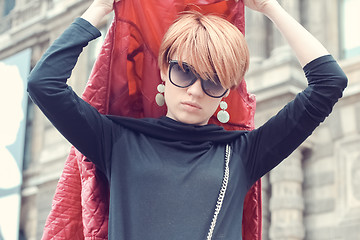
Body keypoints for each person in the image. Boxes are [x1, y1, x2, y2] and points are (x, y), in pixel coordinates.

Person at [27, 0, 347, 239]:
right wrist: (100, 6)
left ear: (226, 92)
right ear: (164, 71)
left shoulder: (244, 152)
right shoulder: (116, 140)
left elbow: (329, 82)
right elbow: (44, 83)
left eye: (213, 81)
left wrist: (271, 8)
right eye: (184, 72)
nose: (195, 91)